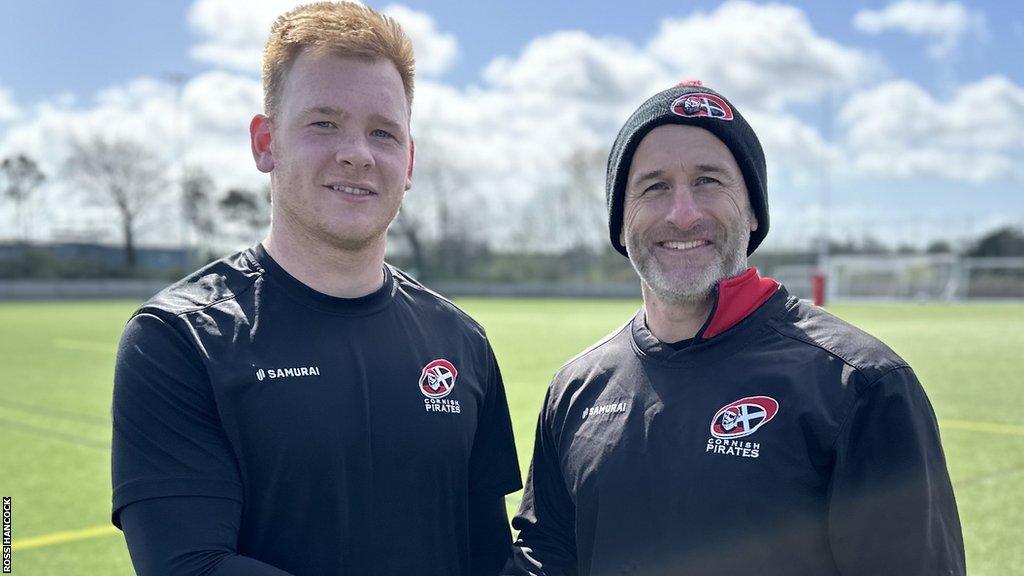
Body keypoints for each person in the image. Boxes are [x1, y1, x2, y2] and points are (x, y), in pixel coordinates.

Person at [111, 3, 520, 575]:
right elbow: (189, 565)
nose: (356, 153)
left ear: (408, 162)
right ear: (265, 142)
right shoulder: (179, 339)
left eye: (383, 132)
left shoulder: (461, 342)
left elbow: (486, 555)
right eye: (324, 123)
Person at [504, 81, 965, 576]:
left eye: (709, 181)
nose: (683, 213)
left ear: (752, 212)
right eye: (654, 186)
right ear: (620, 222)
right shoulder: (575, 389)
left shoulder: (861, 384)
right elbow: (545, 558)